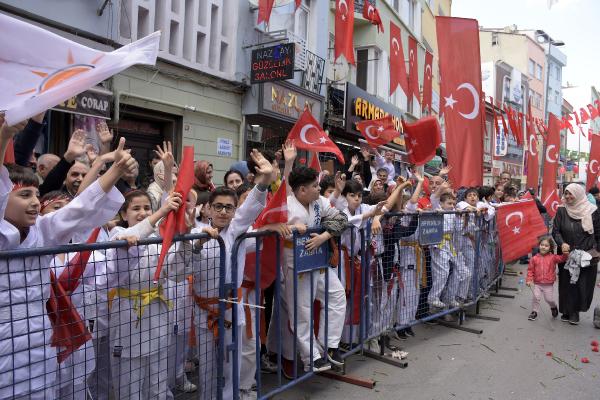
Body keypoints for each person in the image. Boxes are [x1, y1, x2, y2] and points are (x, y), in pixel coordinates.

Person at [0, 115, 133, 400]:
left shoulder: (42, 232)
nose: (35, 202)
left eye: (37, 194)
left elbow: (81, 208)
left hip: (40, 348)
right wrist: (4, 137)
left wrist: (115, 170)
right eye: (24, 195)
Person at [190, 149, 274, 400]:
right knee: (207, 366)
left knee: (231, 362)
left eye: (229, 207)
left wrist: (266, 179)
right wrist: (197, 245)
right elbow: (178, 268)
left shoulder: (237, 229)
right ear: (208, 208)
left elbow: (253, 205)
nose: (224, 212)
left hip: (231, 308)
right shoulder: (196, 233)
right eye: (218, 207)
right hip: (204, 311)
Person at [107, 189, 194, 400]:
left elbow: (176, 273)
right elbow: (132, 236)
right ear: (123, 214)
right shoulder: (117, 234)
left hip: (156, 310)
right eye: (136, 208)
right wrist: (162, 211)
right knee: (130, 376)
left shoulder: (157, 239)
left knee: (157, 376)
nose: (143, 213)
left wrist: (184, 239)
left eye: (147, 208)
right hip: (129, 313)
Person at [283, 165, 348, 372]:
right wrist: (292, 229)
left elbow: (341, 218)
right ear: (302, 190)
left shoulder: (319, 202)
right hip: (297, 265)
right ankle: (311, 356)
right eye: (315, 186)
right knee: (302, 312)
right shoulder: (286, 207)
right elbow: (272, 228)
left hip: (319, 263)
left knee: (337, 296)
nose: (319, 189)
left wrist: (324, 236)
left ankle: (329, 344)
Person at [552, 183, 600, 325]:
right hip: (567, 253)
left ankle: (575, 312)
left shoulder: (592, 211)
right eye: (566, 193)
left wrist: (597, 250)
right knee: (567, 283)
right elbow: (556, 231)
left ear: (578, 194)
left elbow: (598, 233)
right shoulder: (561, 210)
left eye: (570, 193)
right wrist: (562, 243)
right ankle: (567, 310)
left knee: (581, 284)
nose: (567, 196)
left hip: (586, 254)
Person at [526, 237, 567, 321]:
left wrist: (565, 253)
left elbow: (562, 258)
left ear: (550, 248)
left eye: (546, 246)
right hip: (538, 283)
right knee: (536, 297)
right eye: (542, 245)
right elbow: (530, 270)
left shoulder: (553, 257)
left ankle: (553, 307)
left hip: (548, 284)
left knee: (549, 299)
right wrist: (529, 280)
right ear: (539, 246)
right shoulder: (534, 259)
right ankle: (534, 312)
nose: (543, 247)